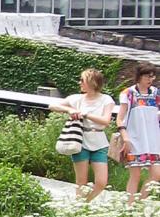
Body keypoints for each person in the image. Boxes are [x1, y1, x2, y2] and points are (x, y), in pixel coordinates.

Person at [52, 68, 115, 201]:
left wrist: (85, 114)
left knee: (101, 182)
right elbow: (52, 105)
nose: (79, 83)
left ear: (91, 82)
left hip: (99, 141)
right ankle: (79, 206)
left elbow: (105, 121)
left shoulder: (106, 99)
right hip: (80, 141)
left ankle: (86, 202)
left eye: (82, 80)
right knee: (81, 181)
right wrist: (69, 109)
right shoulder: (76, 99)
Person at [117, 63, 160, 203]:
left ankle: (139, 203)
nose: (150, 79)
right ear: (139, 76)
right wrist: (126, 138)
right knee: (135, 175)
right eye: (148, 76)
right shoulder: (128, 93)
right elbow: (120, 118)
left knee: (156, 174)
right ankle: (129, 207)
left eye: (152, 76)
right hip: (134, 140)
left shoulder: (156, 93)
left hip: (153, 140)